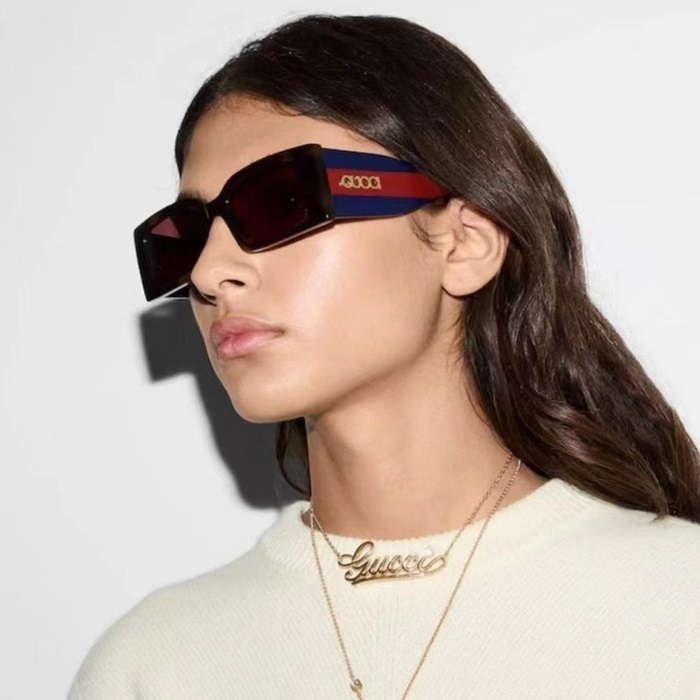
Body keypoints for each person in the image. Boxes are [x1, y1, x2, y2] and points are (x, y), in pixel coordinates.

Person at [67, 13, 700, 700]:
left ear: (465, 242)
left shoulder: (678, 606)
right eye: (188, 237)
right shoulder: (153, 667)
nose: (211, 270)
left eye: (282, 202)